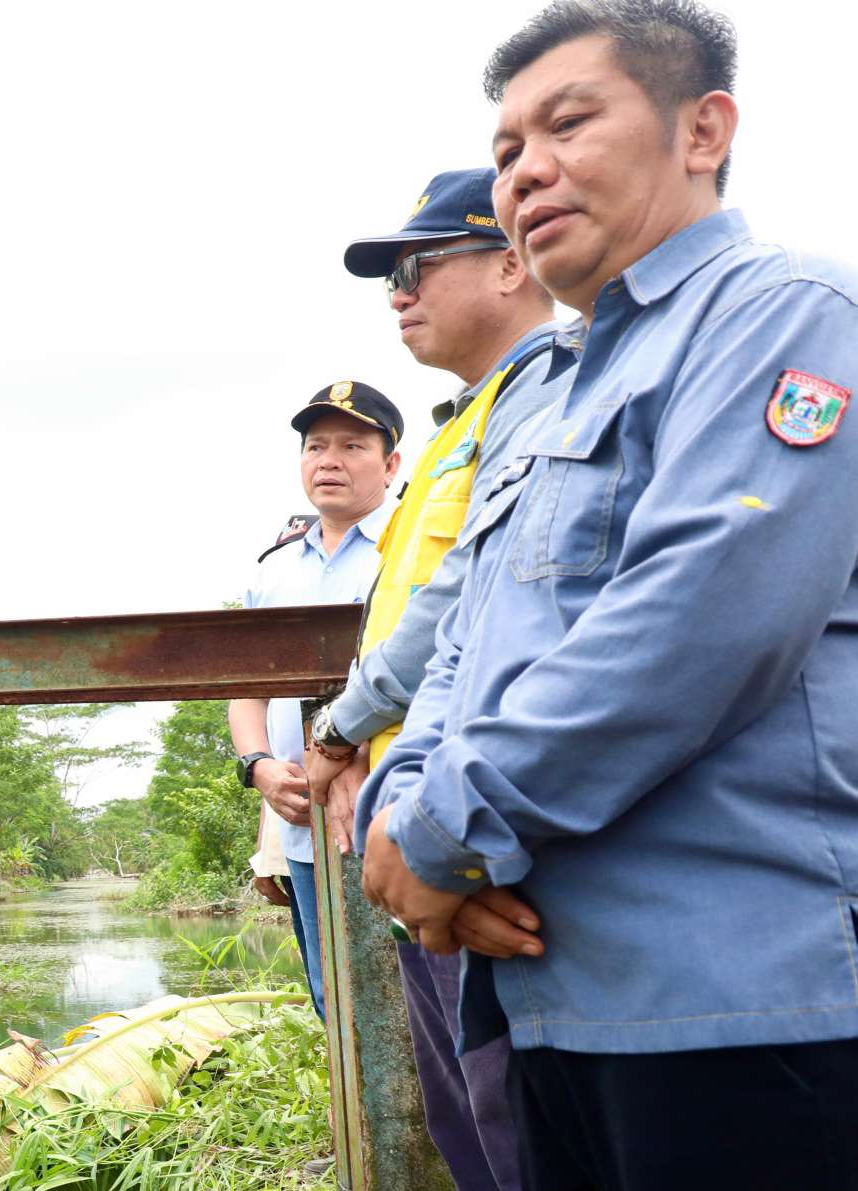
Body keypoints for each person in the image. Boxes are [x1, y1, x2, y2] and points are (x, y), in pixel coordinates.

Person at [360, 4, 858, 1187]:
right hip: (549, 998)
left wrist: (444, 836)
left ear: (702, 130)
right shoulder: (561, 388)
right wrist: (405, 810)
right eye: (506, 149)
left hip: (731, 1011)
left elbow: (702, 621)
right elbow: (460, 645)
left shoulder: (782, 314)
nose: (526, 168)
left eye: (567, 123)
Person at [298, 166, 566, 1191]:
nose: (397, 292)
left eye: (416, 266)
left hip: (472, 822)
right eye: (388, 278)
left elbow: (463, 605)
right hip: (416, 814)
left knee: (511, 1119)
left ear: (509, 263)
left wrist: (337, 729)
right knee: (465, 1110)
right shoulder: (463, 425)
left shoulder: (548, 397)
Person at [232, 381, 401, 1020]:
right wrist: (260, 769)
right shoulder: (272, 571)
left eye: (352, 445)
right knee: (334, 1002)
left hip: (387, 815)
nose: (328, 460)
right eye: (315, 446)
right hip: (301, 826)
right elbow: (247, 688)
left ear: (390, 465)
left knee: (407, 1014)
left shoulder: (406, 549)